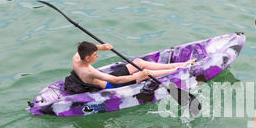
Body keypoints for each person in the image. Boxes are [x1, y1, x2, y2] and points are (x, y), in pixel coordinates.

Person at [64, 41, 195, 94]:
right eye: (95, 54)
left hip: (110, 79)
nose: (97, 56)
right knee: (146, 72)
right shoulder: (88, 73)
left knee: (138, 62)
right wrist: (137, 76)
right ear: (87, 58)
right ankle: (178, 70)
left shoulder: (77, 57)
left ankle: (180, 64)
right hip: (112, 85)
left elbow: (88, 47)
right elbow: (115, 81)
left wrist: (102, 47)